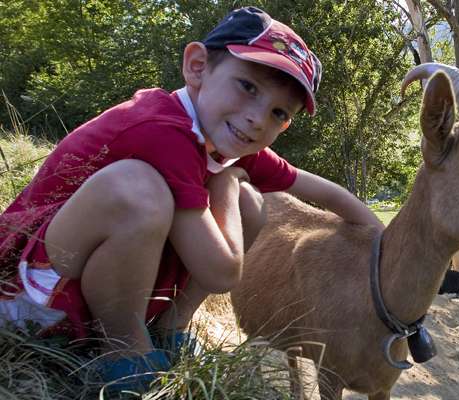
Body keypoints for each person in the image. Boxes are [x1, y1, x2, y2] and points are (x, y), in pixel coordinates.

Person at [0, 6, 383, 391]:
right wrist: (227, 186)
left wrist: (381, 244)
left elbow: (324, 190)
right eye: (248, 87)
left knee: (251, 203)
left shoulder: (231, 138)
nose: (257, 118)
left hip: (88, 282)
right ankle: (123, 353)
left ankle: (169, 330)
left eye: (278, 112)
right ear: (198, 66)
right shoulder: (164, 129)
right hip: (30, 292)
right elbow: (222, 273)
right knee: (139, 187)